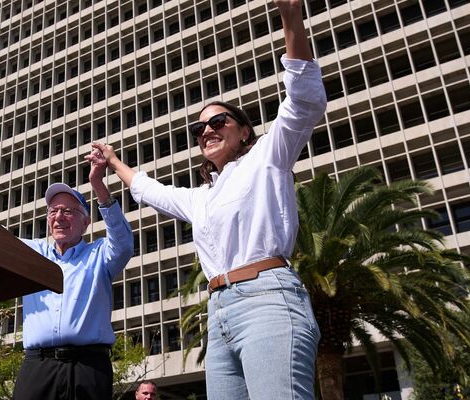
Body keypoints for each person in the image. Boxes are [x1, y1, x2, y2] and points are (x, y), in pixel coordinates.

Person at [86, 0, 325, 398]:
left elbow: (303, 102)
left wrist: (290, 17)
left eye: (218, 121)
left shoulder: (268, 157)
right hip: (219, 314)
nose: (207, 130)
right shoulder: (201, 197)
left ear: (244, 131)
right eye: (200, 127)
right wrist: (113, 161)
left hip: (268, 300)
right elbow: (152, 192)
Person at [0, 122, 134, 400]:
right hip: (38, 366)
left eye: (68, 210)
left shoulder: (99, 253)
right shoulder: (31, 252)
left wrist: (97, 185)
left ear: (85, 221)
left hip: (89, 367)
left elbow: (124, 243)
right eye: (53, 210)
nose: (59, 216)